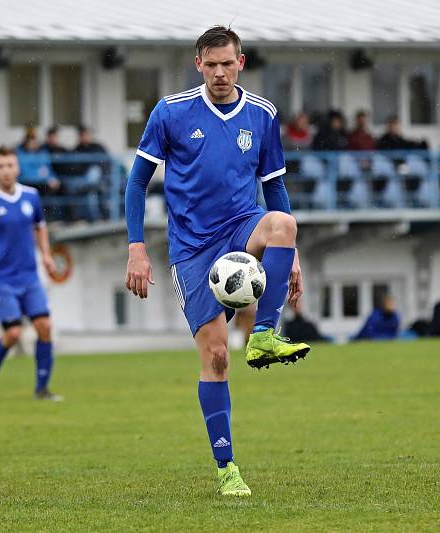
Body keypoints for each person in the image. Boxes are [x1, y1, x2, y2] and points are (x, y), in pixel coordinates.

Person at [124, 26, 309, 498]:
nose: (221, 72)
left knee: (284, 224)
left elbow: (275, 187)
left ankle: (264, 335)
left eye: (229, 63)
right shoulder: (171, 112)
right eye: (213, 64)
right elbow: (136, 183)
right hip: (191, 246)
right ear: (198, 64)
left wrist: (291, 258)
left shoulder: (263, 115)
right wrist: (137, 247)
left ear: (241, 63)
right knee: (217, 356)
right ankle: (227, 468)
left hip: (240, 225)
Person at [0, 146, 62, 402]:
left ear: (17, 167)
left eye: (10, 165)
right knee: (13, 333)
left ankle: (42, 389)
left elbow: (40, 227)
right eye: (0, 166)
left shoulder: (31, 197)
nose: (6, 171)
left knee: (45, 326)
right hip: (2, 278)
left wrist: (46, 255)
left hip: (29, 276)